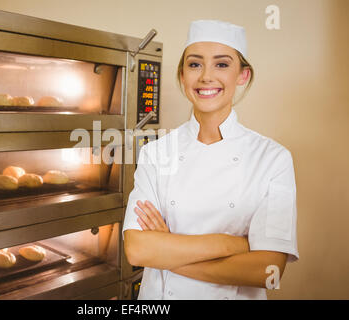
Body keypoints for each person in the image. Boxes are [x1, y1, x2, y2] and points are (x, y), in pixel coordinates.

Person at [122, 20, 299, 300]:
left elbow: (267, 271)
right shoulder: (156, 153)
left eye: (222, 64)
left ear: (242, 75)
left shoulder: (273, 159)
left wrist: (167, 249)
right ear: (182, 75)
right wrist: (233, 245)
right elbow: (138, 250)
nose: (206, 76)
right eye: (194, 64)